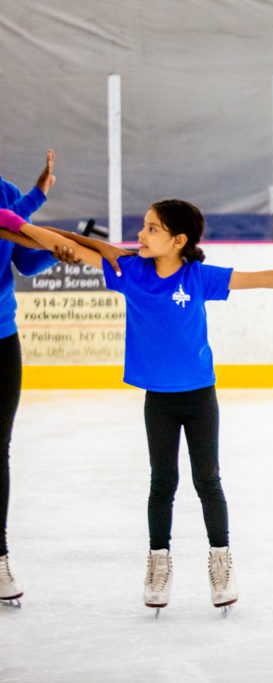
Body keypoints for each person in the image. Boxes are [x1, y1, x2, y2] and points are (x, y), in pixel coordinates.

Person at [0, 199, 273, 615]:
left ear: (178, 240)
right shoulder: (130, 272)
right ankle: (158, 563)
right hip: (158, 400)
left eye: (151, 229)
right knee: (162, 483)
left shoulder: (198, 277)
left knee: (208, 481)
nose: (141, 235)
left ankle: (221, 563)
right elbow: (63, 242)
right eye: (143, 227)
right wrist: (17, 224)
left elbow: (259, 278)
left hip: (200, 396)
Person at [0, 150, 59, 607]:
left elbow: (23, 261)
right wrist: (37, 198)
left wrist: (53, 252)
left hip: (2, 339)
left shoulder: (7, 192)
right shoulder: (18, 200)